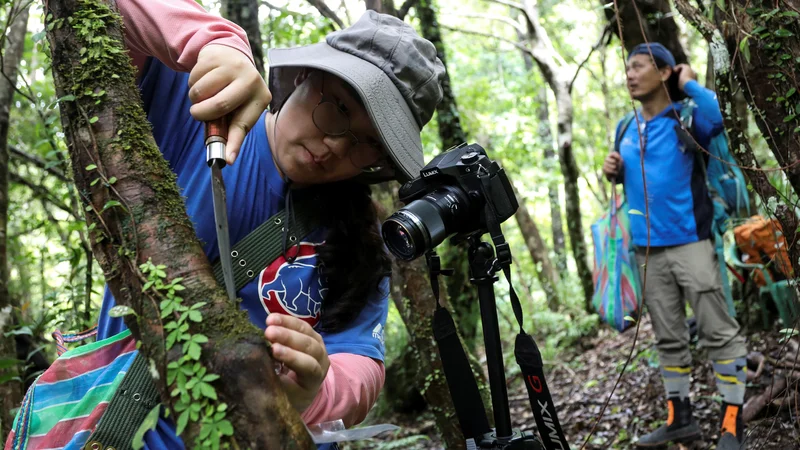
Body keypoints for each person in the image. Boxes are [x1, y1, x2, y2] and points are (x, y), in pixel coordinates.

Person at [97, 1, 446, 448]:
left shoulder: (360, 241)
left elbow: (362, 362)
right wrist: (213, 40)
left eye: (367, 143)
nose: (336, 145)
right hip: (130, 431)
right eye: (337, 108)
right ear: (304, 77)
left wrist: (316, 388)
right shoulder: (199, 112)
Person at [602, 43, 748, 450]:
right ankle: (678, 419)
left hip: (691, 243)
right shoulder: (625, 127)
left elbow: (719, 118)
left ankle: (733, 423)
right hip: (647, 251)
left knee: (719, 333)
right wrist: (612, 170)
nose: (630, 74)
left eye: (639, 66)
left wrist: (689, 83)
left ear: (663, 72)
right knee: (668, 337)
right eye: (627, 68)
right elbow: (630, 175)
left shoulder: (686, 116)